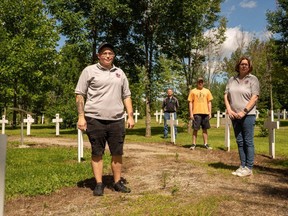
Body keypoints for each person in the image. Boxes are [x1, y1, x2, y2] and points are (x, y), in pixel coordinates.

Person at [75, 42, 135, 196]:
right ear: (99, 56)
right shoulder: (89, 71)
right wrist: (81, 116)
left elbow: (126, 95)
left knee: (117, 152)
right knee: (97, 152)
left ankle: (116, 182)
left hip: (116, 120)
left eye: (110, 53)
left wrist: (130, 115)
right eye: (104, 53)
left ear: (113, 56)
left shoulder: (120, 73)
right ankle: (99, 184)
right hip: (95, 119)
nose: (108, 56)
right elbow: (80, 94)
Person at [224, 56, 259, 177]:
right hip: (234, 115)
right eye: (242, 64)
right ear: (238, 66)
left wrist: (244, 111)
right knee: (239, 141)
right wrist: (229, 109)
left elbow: (255, 97)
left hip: (248, 115)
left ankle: (249, 168)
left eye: (246, 64)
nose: (244, 66)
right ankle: (242, 165)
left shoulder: (253, 79)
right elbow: (226, 95)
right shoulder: (231, 79)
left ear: (249, 67)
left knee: (248, 141)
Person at [188, 77, 213, 150]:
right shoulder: (193, 91)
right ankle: (193, 144)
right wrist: (191, 114)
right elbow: (190, 103)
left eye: (201, 82)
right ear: (197, 83)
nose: (200, 83)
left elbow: (209, 102)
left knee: (205, 129)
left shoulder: (207, 91)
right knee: (195, 129)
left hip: (205, 113)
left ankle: (205, 144)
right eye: (199, 82)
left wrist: (210, 113)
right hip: (196, 112)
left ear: (203, 83)